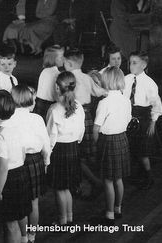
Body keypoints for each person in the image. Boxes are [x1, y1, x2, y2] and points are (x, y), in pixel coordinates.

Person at [0, 90, 32, 243]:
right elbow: (23, 152)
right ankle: (25, 239)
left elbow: (3, 166)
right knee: (20, 214)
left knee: (10, 224)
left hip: (6, 180)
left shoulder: (0, 134)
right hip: (20, 173)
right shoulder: (16, 128)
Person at [11, 85, 51, 243]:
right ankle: (32, 236)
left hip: (16, 162)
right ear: (29, 100)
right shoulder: (37, 119)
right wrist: (46, 162)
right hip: (35, 160)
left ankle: (22, 237)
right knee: (34, 202)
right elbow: (46, 144)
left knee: (20, 202)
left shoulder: (8, 119)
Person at [64, 48, 106, 195]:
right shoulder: (87, 78)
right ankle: (93, 182)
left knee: (77, 155)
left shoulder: (66, 78)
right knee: (88, 154)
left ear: (68, 63)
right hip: (87, 116)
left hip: (74, 116)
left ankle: (94, 182)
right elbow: (100, 92)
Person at [93, 66, 131, 225]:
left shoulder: (104, 102)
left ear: (105, 82)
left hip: (107, 141)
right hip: (122, 138)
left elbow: (96, 128)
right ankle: (118, 208)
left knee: (108, 180)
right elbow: (128, 119)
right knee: (118, 178)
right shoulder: (126, 100)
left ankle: (108, 214)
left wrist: (97, 144)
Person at [46, 71, 85, 225]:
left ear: (57, 87)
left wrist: (46, 157)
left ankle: (62, 221)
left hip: (59, 151)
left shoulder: (54, 109)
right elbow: (81, 130)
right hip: (74, 148)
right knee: (67, 187)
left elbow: (50, 137)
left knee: (60, 188)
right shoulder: (78, 106)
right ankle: (69, 217)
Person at [123, 51, 162, 189]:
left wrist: (153, 121)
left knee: (142, 151)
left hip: (143, 118)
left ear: (144, 65)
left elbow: (156, 104)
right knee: (131, 148)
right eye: (130, 62)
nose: (131, 65)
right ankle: (137, 175)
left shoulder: (149, 83)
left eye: (135, 63)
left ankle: (148, 177)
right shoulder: (126, 79)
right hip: (129, 117)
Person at [34, 45, 64, 121]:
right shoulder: (57, 74)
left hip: (39, 103)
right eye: (61, 57)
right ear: (53, 59)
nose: (63, 59)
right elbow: (56, 94)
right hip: (49, 105)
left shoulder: (44, 71)